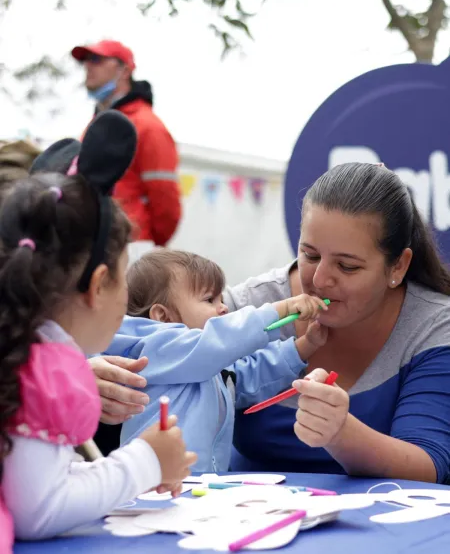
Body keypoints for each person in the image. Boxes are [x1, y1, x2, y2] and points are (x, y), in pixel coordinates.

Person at [92, 162, 450, 484]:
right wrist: (90, 377)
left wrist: (340, 432)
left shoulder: (433, 326)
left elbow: (430, 465)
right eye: (309, 255)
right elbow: (150, 346)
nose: (321, 279)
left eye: (347, 266)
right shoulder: (243, 308)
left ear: (399, 266)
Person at [0, 111, 196, 553]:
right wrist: (147, 460)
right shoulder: (47, 365)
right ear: (96, 285)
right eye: (125, 278)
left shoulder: (21, 350)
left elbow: (32, 482)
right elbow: (39, 510)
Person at [103, 249, 328, 472]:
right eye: (209, 299)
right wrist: (280, 310)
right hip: (152, 487)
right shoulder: (157, 348)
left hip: (200, 488)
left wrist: (305, 345)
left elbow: (249, 374)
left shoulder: (209, 362)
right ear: (163, 316)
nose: (224, 307)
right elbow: (219, 340)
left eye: (221, 298)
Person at [71, 39, 181, 261]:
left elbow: (166, 203)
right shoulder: (94, 126)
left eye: (97, 59)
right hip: (98, 244)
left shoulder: (148, 126)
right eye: (85, 61)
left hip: (132, 249)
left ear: (124, 70)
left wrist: (146, 243)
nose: (88, 66)